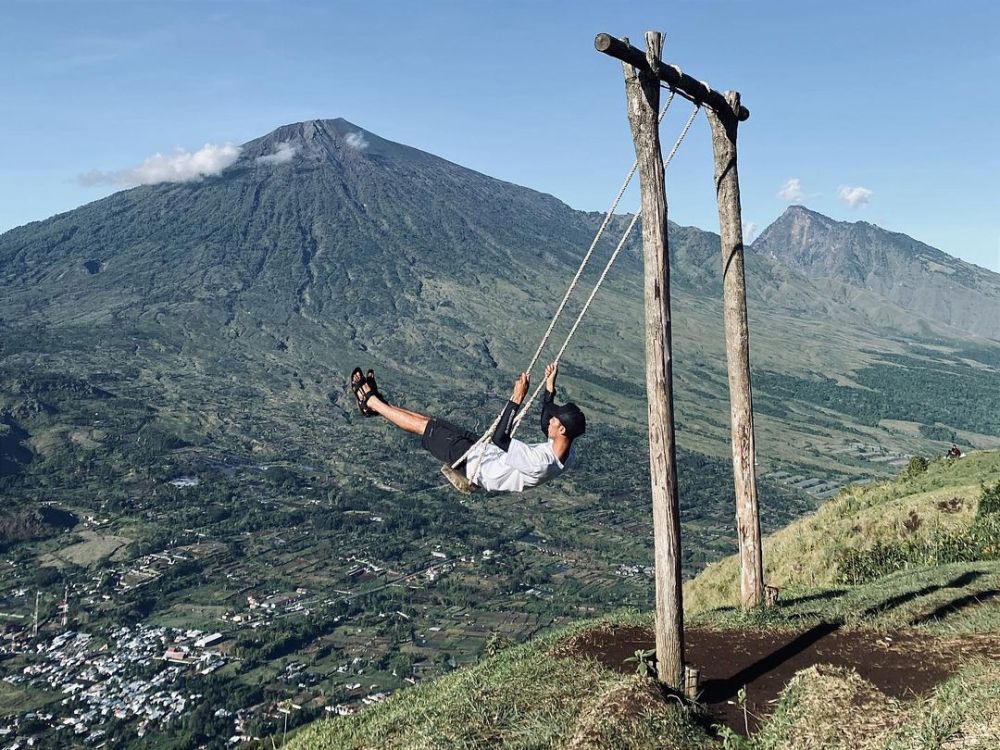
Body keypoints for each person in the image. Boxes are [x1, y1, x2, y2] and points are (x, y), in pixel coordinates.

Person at [350, 362, 585, 492]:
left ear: (563, 430)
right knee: (429, 422)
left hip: (476, 466)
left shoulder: (540, 463)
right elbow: (547, 424)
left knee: (424, 427)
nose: (551, 421)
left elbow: (501, 439)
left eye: (557, 419)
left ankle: (369, 401)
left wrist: (516, 398)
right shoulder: (566, 452)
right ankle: (378, 403)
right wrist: (549, 388)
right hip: (484, 453)